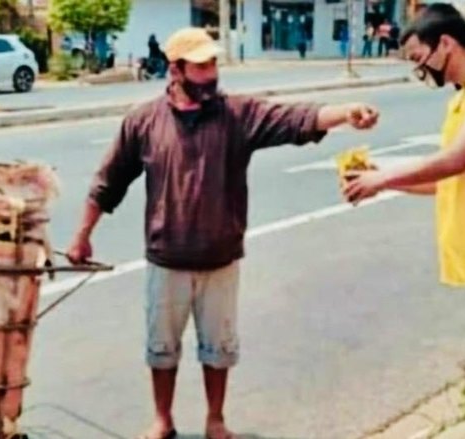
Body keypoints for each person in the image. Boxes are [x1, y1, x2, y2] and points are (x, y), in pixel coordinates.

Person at [67, 27, 379, 439]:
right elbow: (109, 181)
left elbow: (294, 119)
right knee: (162, 348)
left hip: (221, 258)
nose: (211, 73)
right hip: (167, 257)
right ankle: (163, 418)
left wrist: (346, 112)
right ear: (175, 70)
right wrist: (82, 235)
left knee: (220, 347)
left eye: (213, 63)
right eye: (200, 66)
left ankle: (216, 418)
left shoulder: (237, 116)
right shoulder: (143, 121)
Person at [342, 5, 465, 438]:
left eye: (421, 59)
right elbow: (447, 181)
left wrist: (383, 177)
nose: (422, 71)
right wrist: (379, 179)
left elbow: (455, 161)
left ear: (446, 44)